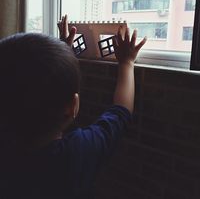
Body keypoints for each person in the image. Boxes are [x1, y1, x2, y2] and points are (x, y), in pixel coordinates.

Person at [0, 15, 146, 199]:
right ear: (73, 106)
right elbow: (121, 112)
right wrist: (127, 62)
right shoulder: (77, 152)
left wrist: (61, 54)